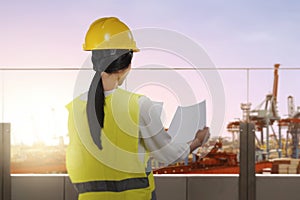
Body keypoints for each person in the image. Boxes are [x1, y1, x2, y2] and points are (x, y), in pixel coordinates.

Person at [66, 17, 210, 200]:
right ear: (127, 65)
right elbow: (167, 154)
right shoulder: (139, 105)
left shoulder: (74, 108)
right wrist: (197, 142)